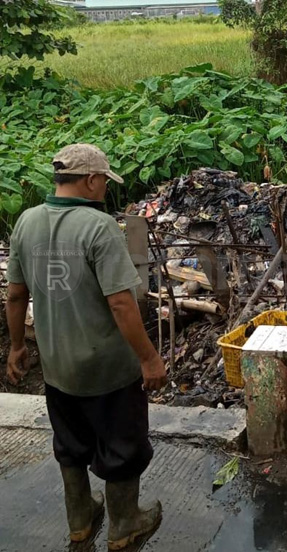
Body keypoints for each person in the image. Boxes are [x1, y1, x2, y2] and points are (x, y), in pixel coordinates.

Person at [5, 144, 167, 551]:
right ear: (91, 180)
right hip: (107, 369)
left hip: (58, 366)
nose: (105, 191)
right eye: (104, 183)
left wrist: (16, 347)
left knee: (71, 444)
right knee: (123, 446)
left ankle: (80, 520)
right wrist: (149, 358)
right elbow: (120, 302)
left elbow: (15, 295)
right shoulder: (98, 229)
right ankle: (125, 524)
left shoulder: (26, 222)